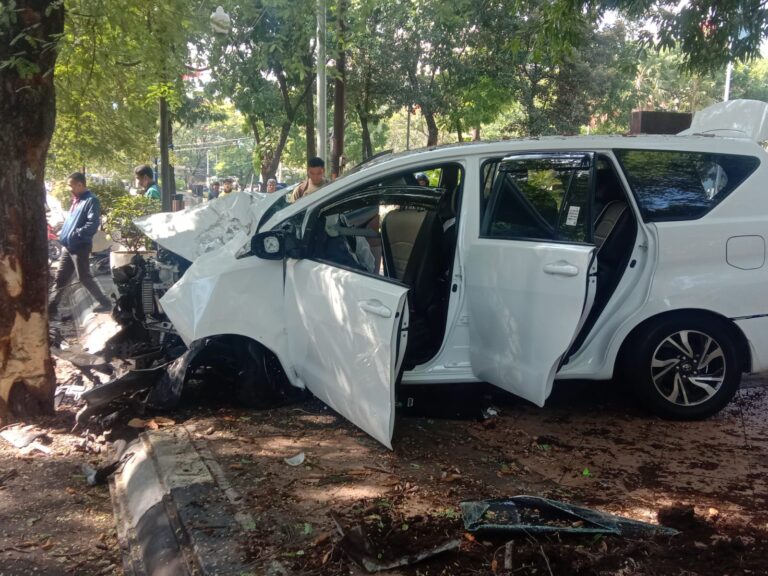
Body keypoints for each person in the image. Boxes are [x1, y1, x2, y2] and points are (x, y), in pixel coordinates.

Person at [49, 172, 112, 316]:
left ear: (80, 184)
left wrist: (76, 234)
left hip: (80, 246)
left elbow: (93, 223)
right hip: (68, 246)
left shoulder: (91, 200)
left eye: (72, 185)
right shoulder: (76, 200)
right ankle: (52, 307)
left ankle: (105, 303)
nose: (70, 188)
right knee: (61, 277)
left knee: (84, 277)